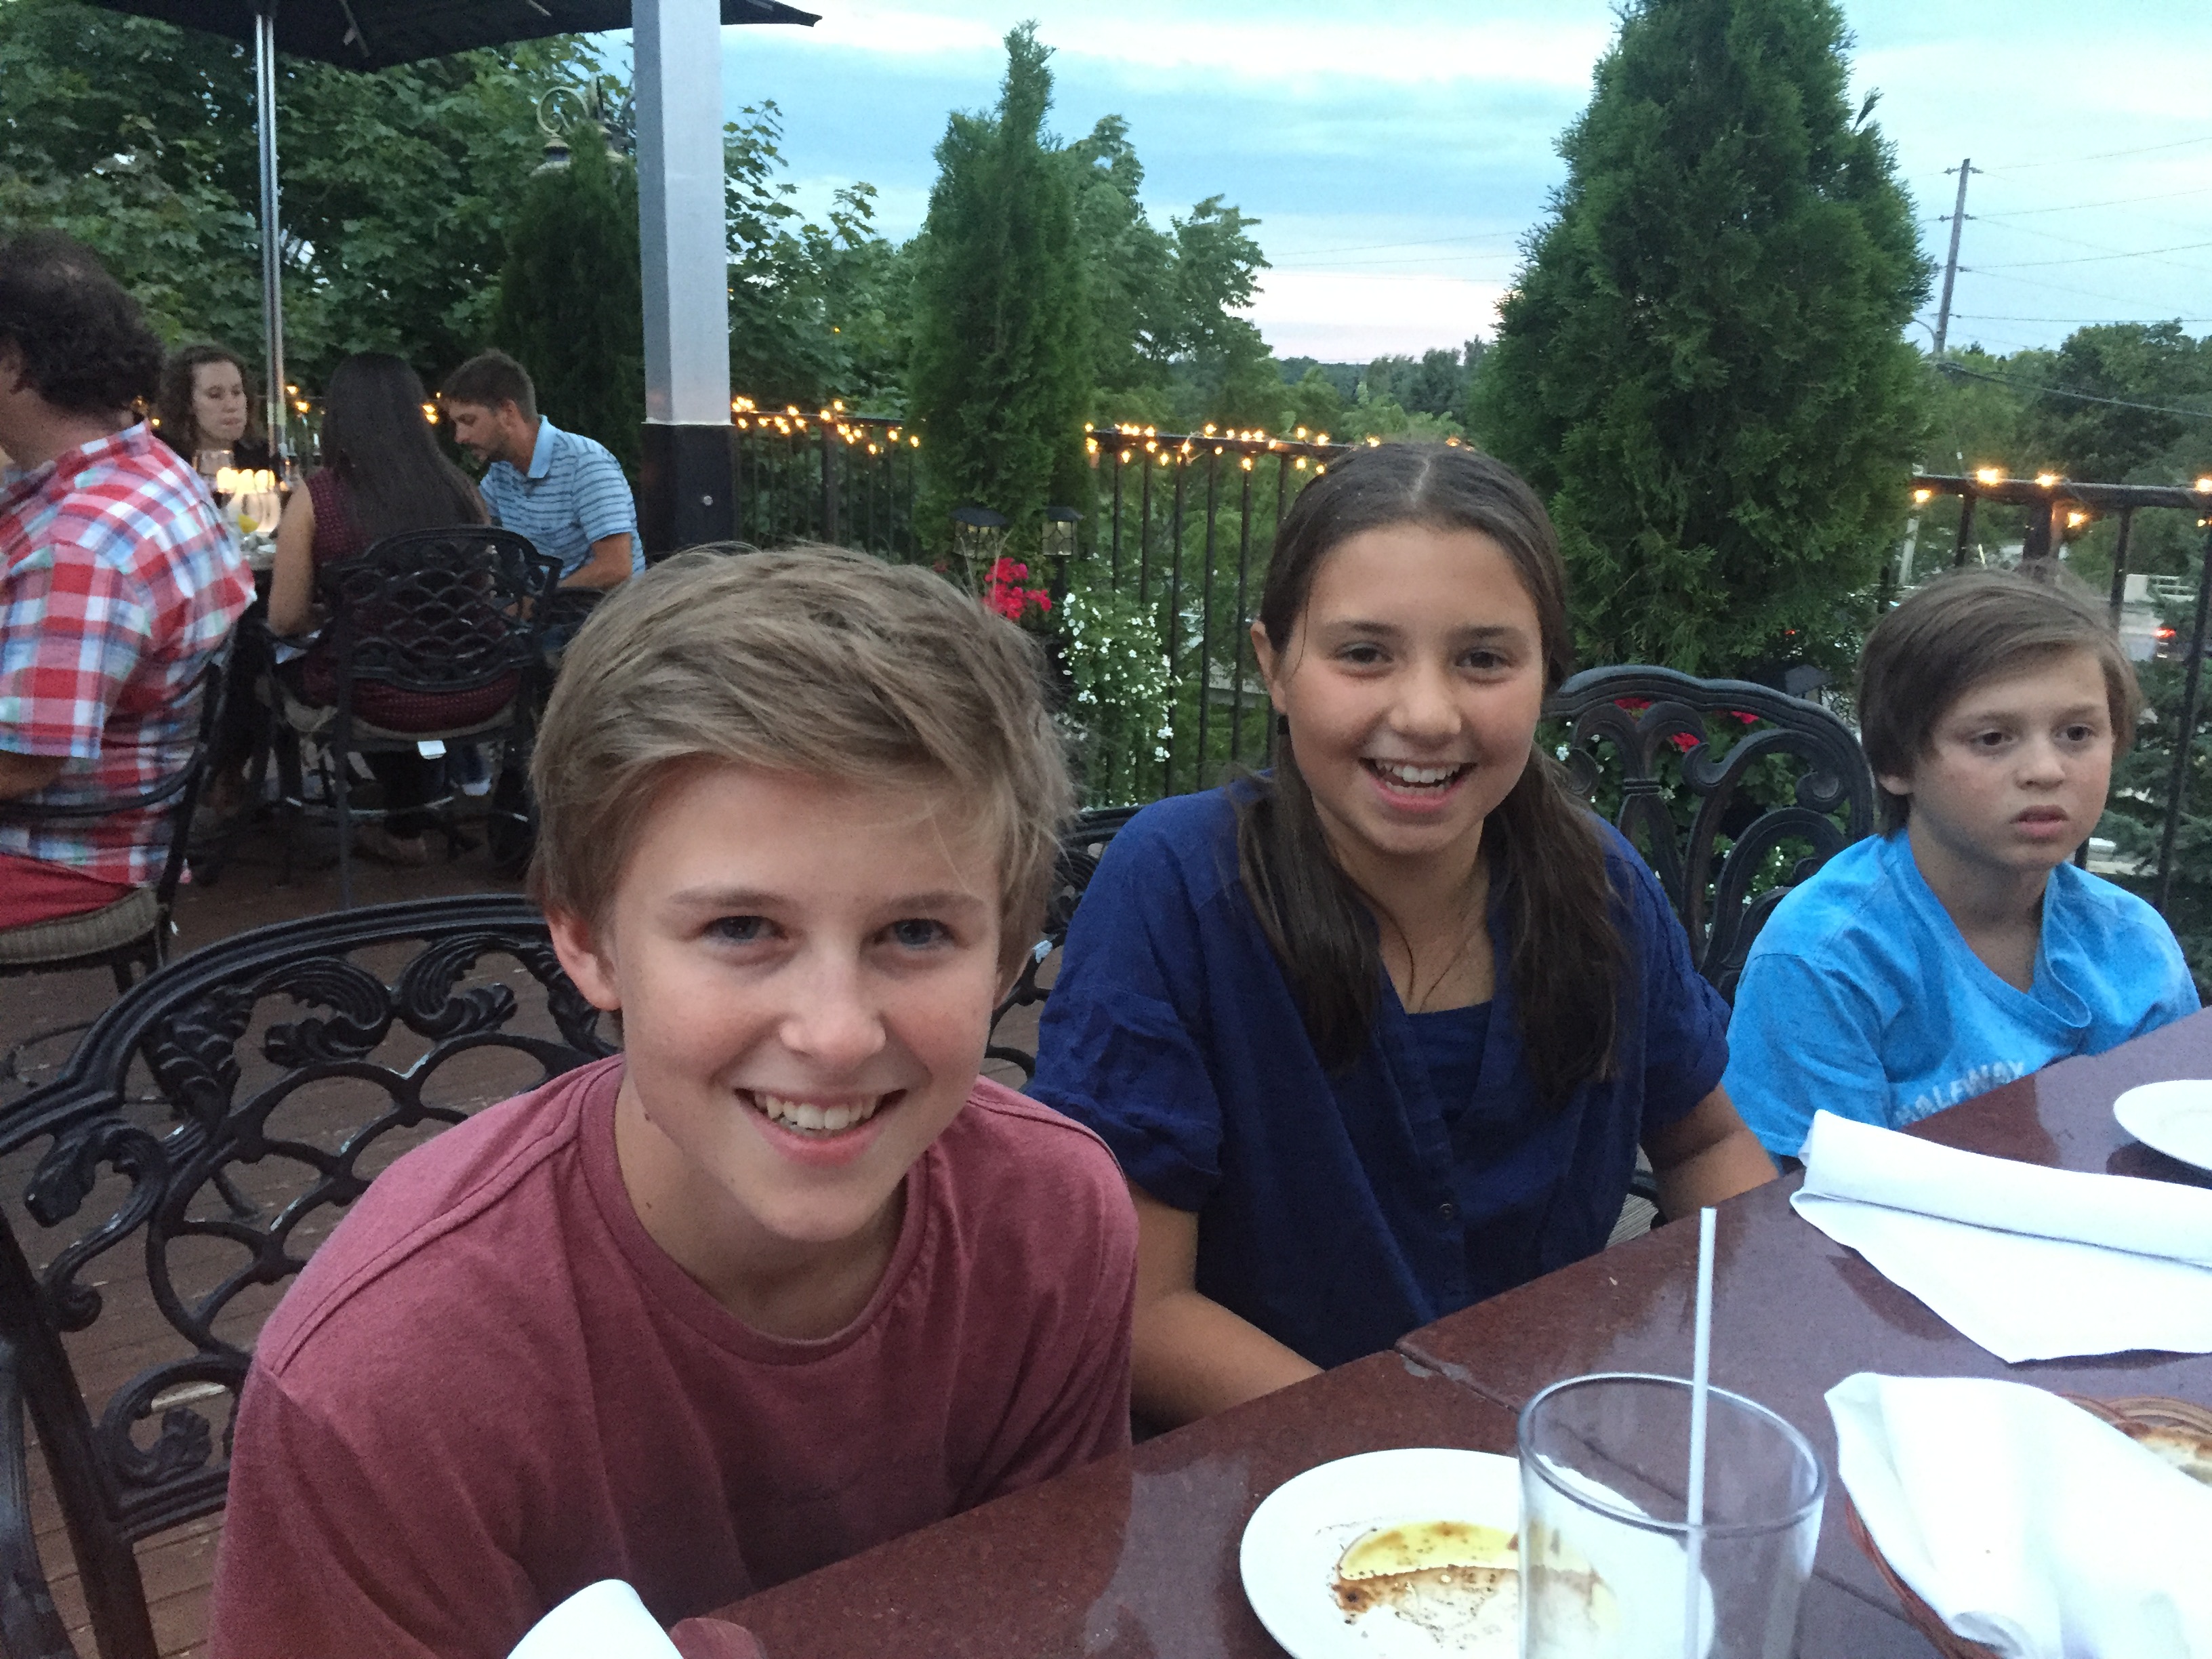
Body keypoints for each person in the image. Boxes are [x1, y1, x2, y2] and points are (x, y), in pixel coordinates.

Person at [209, 546, 1137, 1659]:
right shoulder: (387, 1381)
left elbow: (1039, 1602)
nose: (836, 1032)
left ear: (1006, 955)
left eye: (915, 931)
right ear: (587, 939)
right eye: (742, 928)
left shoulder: (1051, 1223)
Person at [1027, 444, 1775, 1429]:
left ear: (1547, 674)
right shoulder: (1176, 892)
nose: (1426, 714)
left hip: (1540, 1461)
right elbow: (1141, 1308)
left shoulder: (1601, 888)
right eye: (1364, 654)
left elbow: (1708, 1141)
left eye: (1483, 660)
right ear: (1274, 665)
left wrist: (1738, 1352)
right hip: (1261, 1474)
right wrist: (1425, 1448)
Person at [1723, 567, 2198, 1158]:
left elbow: (2172, 1158)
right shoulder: (1825, 958)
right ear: (1896, 764)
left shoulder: (2133, 946)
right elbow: (1807, 1195)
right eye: (1992, 738)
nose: (2045, 770)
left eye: (2077, 733)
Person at [0, 231, 251, 928]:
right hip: (117, 826)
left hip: (59, 856)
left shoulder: (79, 545)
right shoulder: (152, 470)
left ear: (14, 361)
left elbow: (22, 762)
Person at [266, 351, 507, 866]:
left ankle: (259, 809)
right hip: (476, 685)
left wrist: (327, 615)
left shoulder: (319, 497)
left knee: (265, 666)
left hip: (376, 698)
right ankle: (408, 819)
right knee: (391, 653)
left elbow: (284, 619)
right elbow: (481, 589)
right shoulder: (462, 490)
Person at [440, 349, 640, 590]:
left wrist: (537, 602)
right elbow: (470, 529)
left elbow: (616, 569)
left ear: (508, 413)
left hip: (607, 609)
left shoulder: (586, 464)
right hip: (549, 605)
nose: (459, 437)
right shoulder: (502, 470)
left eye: (468, 421)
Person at [153, 342, 275, 476]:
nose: (231, 405)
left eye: (237, 392)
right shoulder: (158, 458)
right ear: (187, 402)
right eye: (215, 395)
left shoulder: (268, 457)